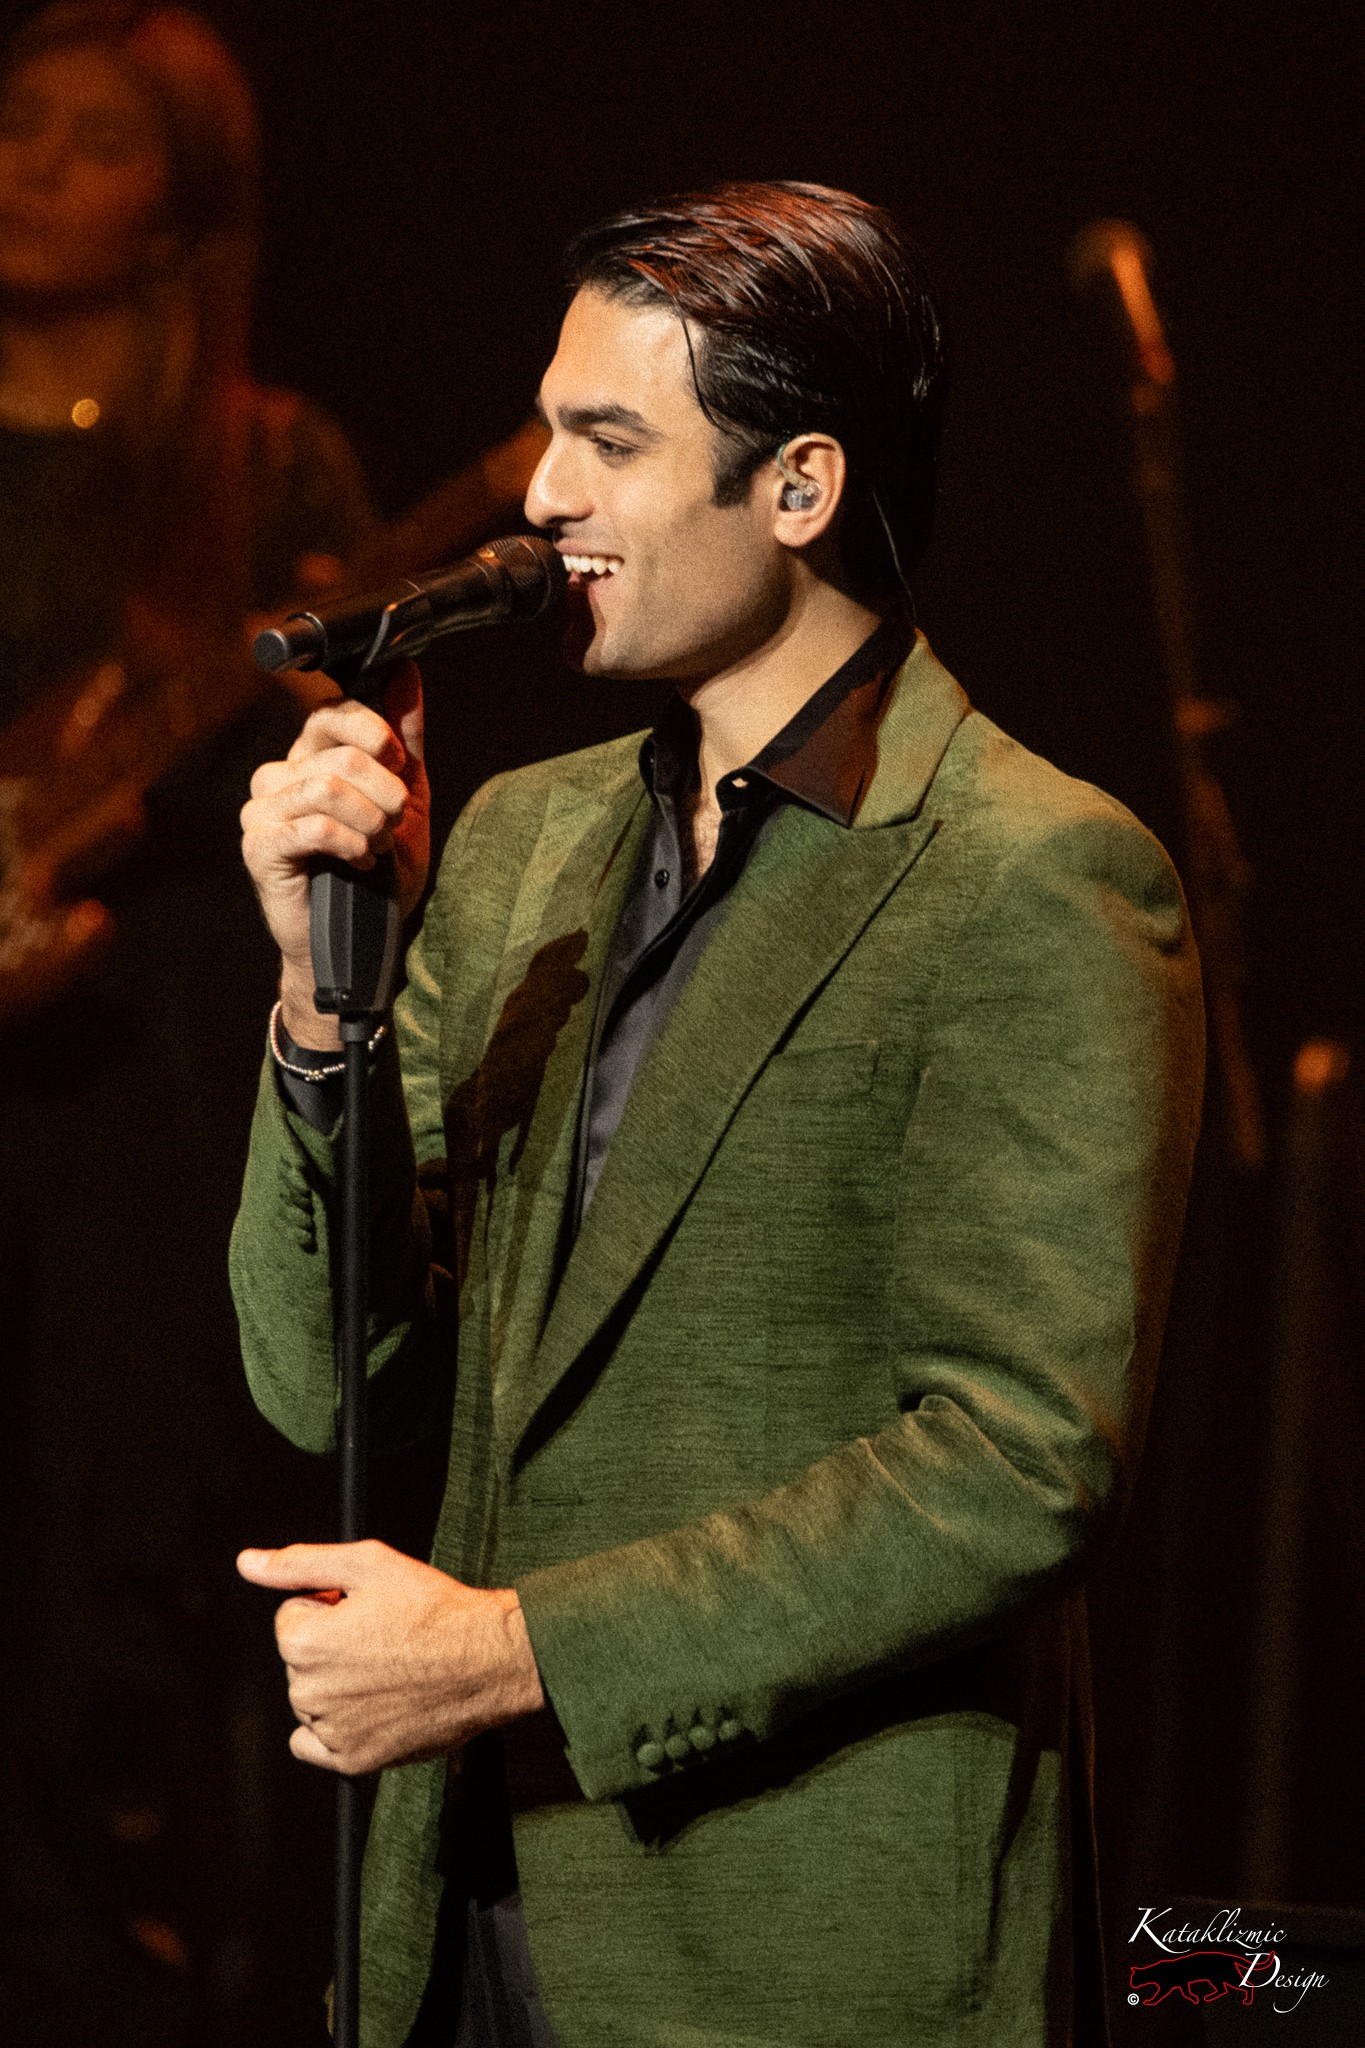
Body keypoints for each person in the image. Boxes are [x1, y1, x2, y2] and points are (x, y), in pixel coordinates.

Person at [232, 182, 1206, 2048]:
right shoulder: (521, 846)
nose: (541, 496)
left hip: (798, 1958)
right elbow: (319, 1379)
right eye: (550, 433)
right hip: (463, 1927)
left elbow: (1015, 1462)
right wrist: (315, 1007)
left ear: (800, 486)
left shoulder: (1029, 875)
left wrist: (514, 1653)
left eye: (609, 442)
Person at [0, 7, 373, 2042]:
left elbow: (336, 768)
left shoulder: (263, 465)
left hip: (141, 1081)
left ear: (181, 211)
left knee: (106, 1554)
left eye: (95, 142)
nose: (34, 167)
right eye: (17, 122)